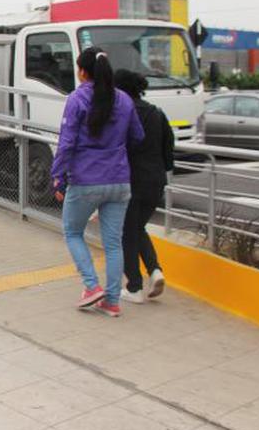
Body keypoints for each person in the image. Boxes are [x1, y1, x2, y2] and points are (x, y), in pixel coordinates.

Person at [51, 47, 144, 317]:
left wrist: (58, 177)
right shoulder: (124, 99)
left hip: (85, 180)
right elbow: (137, 136)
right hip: (119, 180)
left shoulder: (77, 99)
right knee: (113, 243)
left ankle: (91, 287)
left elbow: (66, 143)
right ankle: (112, 301)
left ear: (82, 71)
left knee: (72, 232)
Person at [114, 69, 173, 303]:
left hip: (130, 181)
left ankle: (135, 288)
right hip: (156, 180)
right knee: (138, 228)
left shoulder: (121, 113)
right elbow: (168, 150)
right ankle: (155, 270)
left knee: (127, 233)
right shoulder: (157, 113)